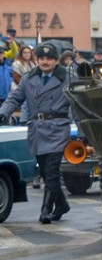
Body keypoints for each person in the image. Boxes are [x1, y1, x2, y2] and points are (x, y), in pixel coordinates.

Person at [0, 42, 73, 224]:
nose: (45, 62)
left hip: (58, 126)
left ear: (57, 61)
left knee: (52, 170)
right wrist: (3, 112)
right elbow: (15, 97)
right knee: (46, 172)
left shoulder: (69, 77)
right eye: (42, 58)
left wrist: (84, 127)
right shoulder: (28, 77)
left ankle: (45, 210)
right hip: (37, 128)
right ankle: (62, 205)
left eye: (49, 58)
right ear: (37, 59)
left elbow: (79, 102)